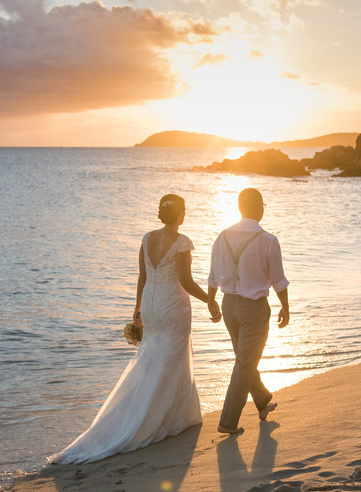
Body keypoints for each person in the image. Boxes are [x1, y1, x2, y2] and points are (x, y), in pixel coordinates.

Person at [49, 194, 220, 464]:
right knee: (171, 361)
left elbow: (142, 277)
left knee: (153, 361)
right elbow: (186, 281)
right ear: (180, 214)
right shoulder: (182, 242)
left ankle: (165, 413)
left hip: (151, 307)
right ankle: (165, 418)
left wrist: (138, 310)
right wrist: (210, 300)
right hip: (173, 307)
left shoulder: (147, 238)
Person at [208, 187, 289, 435]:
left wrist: (211, 302)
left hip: (228, 306)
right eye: (262, 205)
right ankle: (228, 422)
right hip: (253, 309)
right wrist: (286, 307)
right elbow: (278, 280)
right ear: (257, 208)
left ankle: (262, 401)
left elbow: (212, 276)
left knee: (244, 360)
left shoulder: (222, 236)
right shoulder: (268, 240)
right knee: (244, 364)